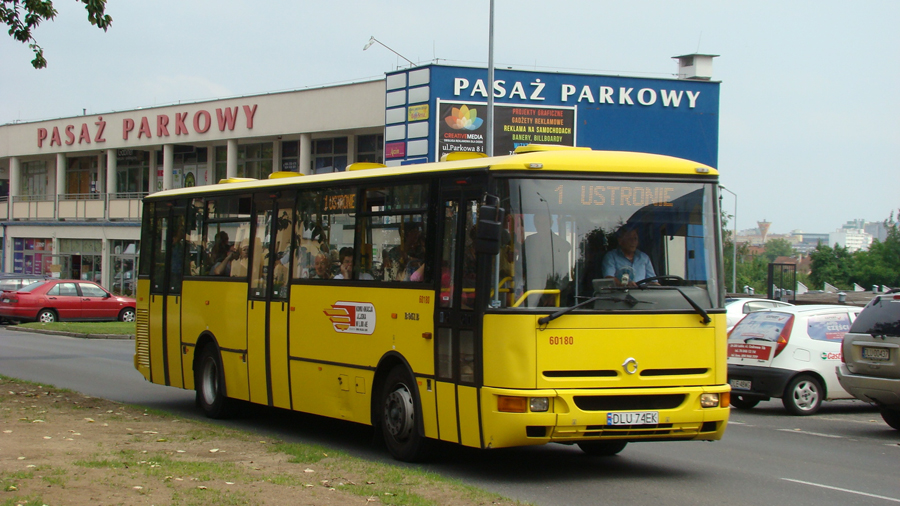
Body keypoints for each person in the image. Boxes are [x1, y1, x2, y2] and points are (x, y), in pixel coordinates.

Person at [523, 213, 571, 303]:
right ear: (534, 223)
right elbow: (521, 267)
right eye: (538, 223)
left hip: (553, 293)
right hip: (531, 292)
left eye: (544, 223)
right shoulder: (529, 242)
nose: (541, 226)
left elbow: (564, 274)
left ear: (551, 223)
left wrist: (554, 295)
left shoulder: (561, 244)